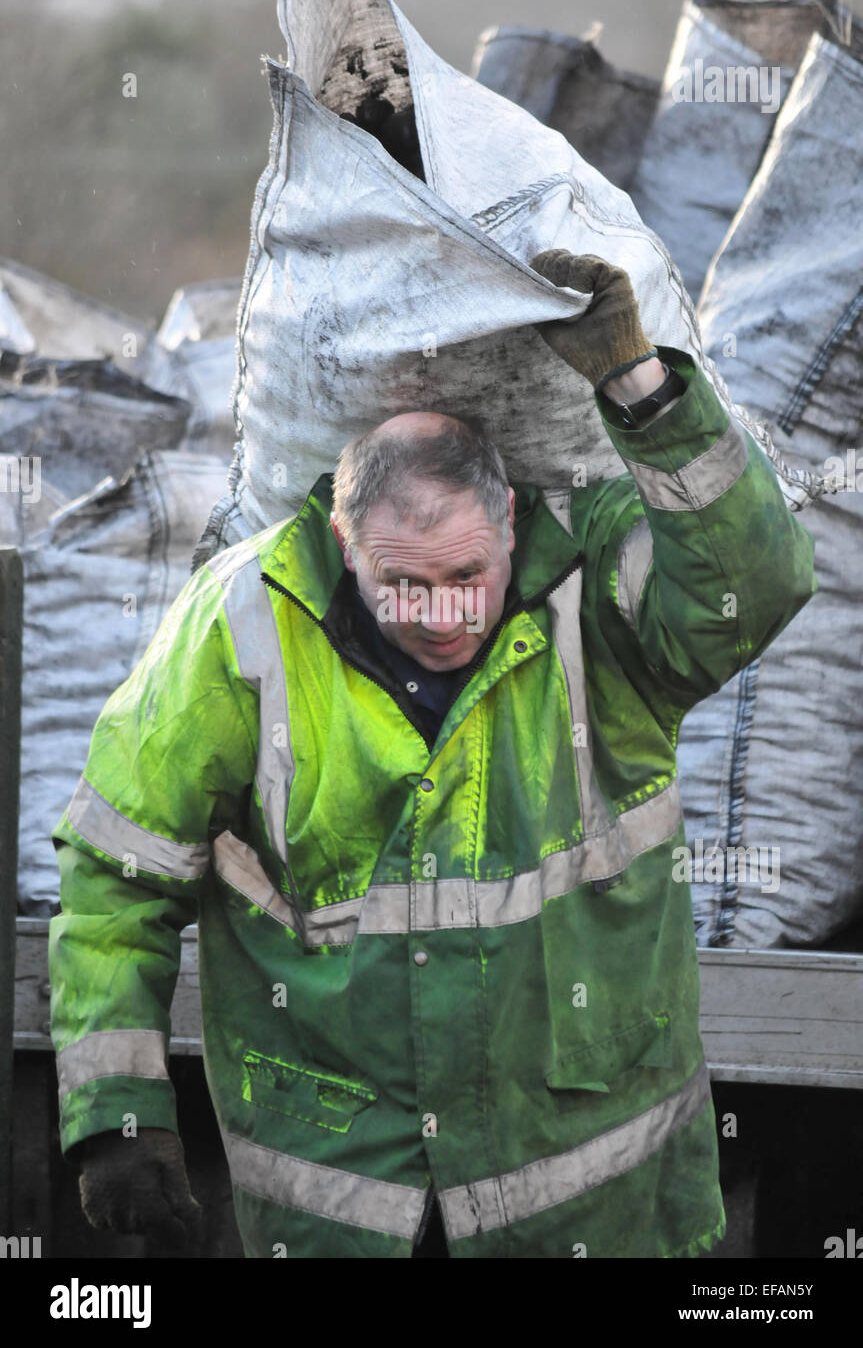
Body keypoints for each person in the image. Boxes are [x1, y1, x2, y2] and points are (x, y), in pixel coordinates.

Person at [48, 252, 817, 1258]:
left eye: (465, 575)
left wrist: (639, 383)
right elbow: (117, 868)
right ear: (338, 534)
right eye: (400, 585)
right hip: (345, 1213)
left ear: (507, 521)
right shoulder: (240, 626)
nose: (440, 614)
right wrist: (117, 1108)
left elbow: (753, 586)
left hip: (591, 1212)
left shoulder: (594, 593)